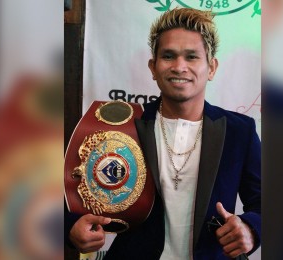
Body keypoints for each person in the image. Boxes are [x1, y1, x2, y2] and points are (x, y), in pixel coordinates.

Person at [66, 8, 261, 259]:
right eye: (168, 56)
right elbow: (64, 192)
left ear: (211, 68)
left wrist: (251, 228)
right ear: (153, 67)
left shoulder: (239, 131)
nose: (179, 67)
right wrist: (70, 227)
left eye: (192, 57)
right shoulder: (121, 124)